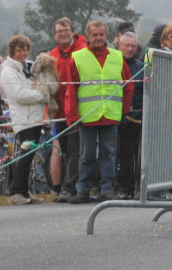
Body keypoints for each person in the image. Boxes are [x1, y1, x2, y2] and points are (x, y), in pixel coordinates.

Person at [65, 20, 133, 203]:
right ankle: (83, 189)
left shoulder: (117, 57)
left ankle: (107, 189)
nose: (98, 38)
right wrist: (72, 115)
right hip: (87, 116)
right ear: (88, 36)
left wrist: (124, 109)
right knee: (86, 154)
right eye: (94, 35)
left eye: (101, 34)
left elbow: (128, 85)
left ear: (107, 36)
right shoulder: (78, 57)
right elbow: (71, 89)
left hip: (110, 115)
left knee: (109, 154)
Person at [0, 35, 50, 205]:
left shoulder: (28, 66)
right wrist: (43, 97)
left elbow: (43, 82)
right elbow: (18, 95)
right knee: (24, 156)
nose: (23, 53)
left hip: (36, 118)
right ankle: (16, 193)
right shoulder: (7, 71)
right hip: (24, 119)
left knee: (30, 157)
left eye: (25, 50)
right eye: (19, 50)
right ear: (12, 52)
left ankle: (24, 192)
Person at [48, 17, 88, 202]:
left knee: (74, 150)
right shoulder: (52, 55)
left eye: (66, 30)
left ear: (73, 31)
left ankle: (68, 187)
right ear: (55, 35)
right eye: (59, 31)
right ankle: (67, 186)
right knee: (63, 151)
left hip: (77, 110)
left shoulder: (82, 50)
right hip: (59, 112)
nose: (63, 34)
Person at [115, 31, 144, 199]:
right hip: (112, 115)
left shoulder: (141, 67)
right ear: (120, 46)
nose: (131, 49)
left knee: (129, 155)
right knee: (113, 153)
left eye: (133, 46)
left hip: (133, 118)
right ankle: (113, 185)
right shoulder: (113, 63)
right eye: (127, 45)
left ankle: (128, 187)